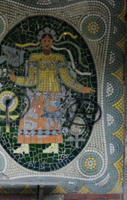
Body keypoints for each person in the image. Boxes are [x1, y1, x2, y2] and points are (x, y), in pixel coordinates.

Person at [9, 27, 94, 155]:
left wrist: (82, 88)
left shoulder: (58, 58)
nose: (47, 43)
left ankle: (54, 146)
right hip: (39, 94)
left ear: (53, 42)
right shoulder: (35, 58)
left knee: (52, 119)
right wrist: (16, 79)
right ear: (40, 42)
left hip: (54, 93)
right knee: (27, 117)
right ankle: (24, 146)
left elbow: (66, 78)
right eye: (45, 41)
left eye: (49, 40)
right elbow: (31, 80)